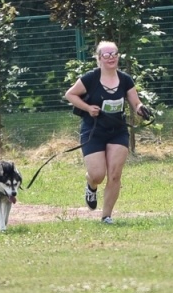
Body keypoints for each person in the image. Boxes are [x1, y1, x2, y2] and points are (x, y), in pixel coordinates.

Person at [63, 40, 149, 224]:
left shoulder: (125, 79)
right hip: (93, 130)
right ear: (99, 58)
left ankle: (106, 216)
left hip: (117, 130)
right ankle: (90, 184)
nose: (111, 58)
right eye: (107, 55)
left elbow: (135, 102)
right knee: (97, 175)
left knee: (115, 174)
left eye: (114, 54)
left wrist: (141, 108)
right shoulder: (91, 78)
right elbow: (70, 94)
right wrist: (87, 108)